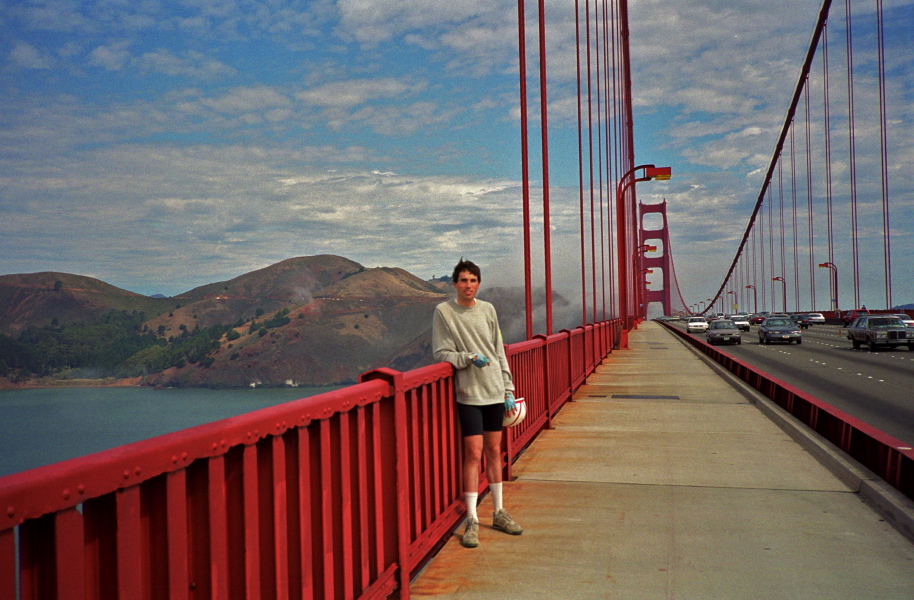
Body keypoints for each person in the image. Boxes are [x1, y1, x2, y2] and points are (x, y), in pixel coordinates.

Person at [432, 259, 523, 549]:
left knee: (495, 451)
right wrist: (468, 358)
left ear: (478, 283)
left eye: (472, 280)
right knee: (473, 453)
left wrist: (508, 388)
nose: (468, 285)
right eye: (462, 281)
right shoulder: (444, 312)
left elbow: (498, 350)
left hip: (496, 391)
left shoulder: (488, 310)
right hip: (470, 392)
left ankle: (498, 512)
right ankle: (471, 518)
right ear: (454, 284)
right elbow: (441, 352)